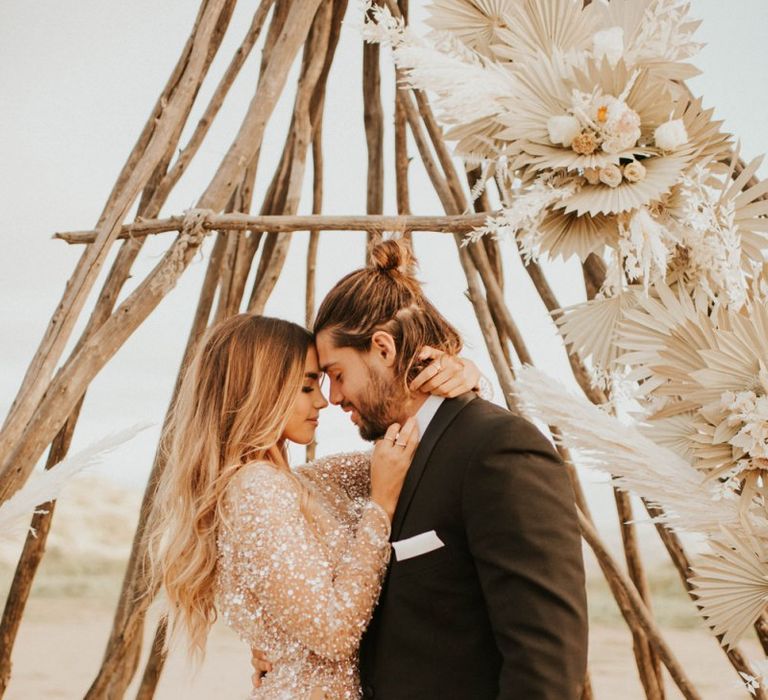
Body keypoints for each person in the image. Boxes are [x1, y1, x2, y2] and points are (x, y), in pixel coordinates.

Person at [254, 239, 589, 698]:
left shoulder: (499, 451)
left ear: (383, 349)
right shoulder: (389, 462)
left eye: (336, 373)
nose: (333, 397)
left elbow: (546, 662)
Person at [146, 312, 480, 699]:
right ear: (260, 390)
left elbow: (414, 445)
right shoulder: (254, 489)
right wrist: (380, 507)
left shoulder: (306, 482)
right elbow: (333, 632)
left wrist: (464, 376)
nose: (324, 401)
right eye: (307, 387)